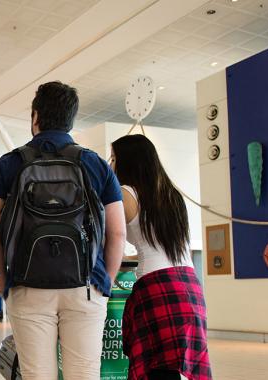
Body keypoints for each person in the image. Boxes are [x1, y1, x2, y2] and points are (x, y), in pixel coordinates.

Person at [0, 81, 126, 380]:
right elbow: (117, 234)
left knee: (37, 373)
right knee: (84, 372)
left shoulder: (9, 165)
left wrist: (4, 283)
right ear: (71, 119)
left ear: (35, 117)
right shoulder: (96, 165)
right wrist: (105, 283)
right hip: (86, 286)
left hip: (27, 284)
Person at [110, 134, 211, 380]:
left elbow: (112, 239)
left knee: (156, 368)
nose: (111, 165)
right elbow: (159, 244)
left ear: (127, 162)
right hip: (190, 286)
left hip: (157, 289)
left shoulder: (125, 194)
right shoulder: (171, 196)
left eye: (113, 159)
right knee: (174, 368)